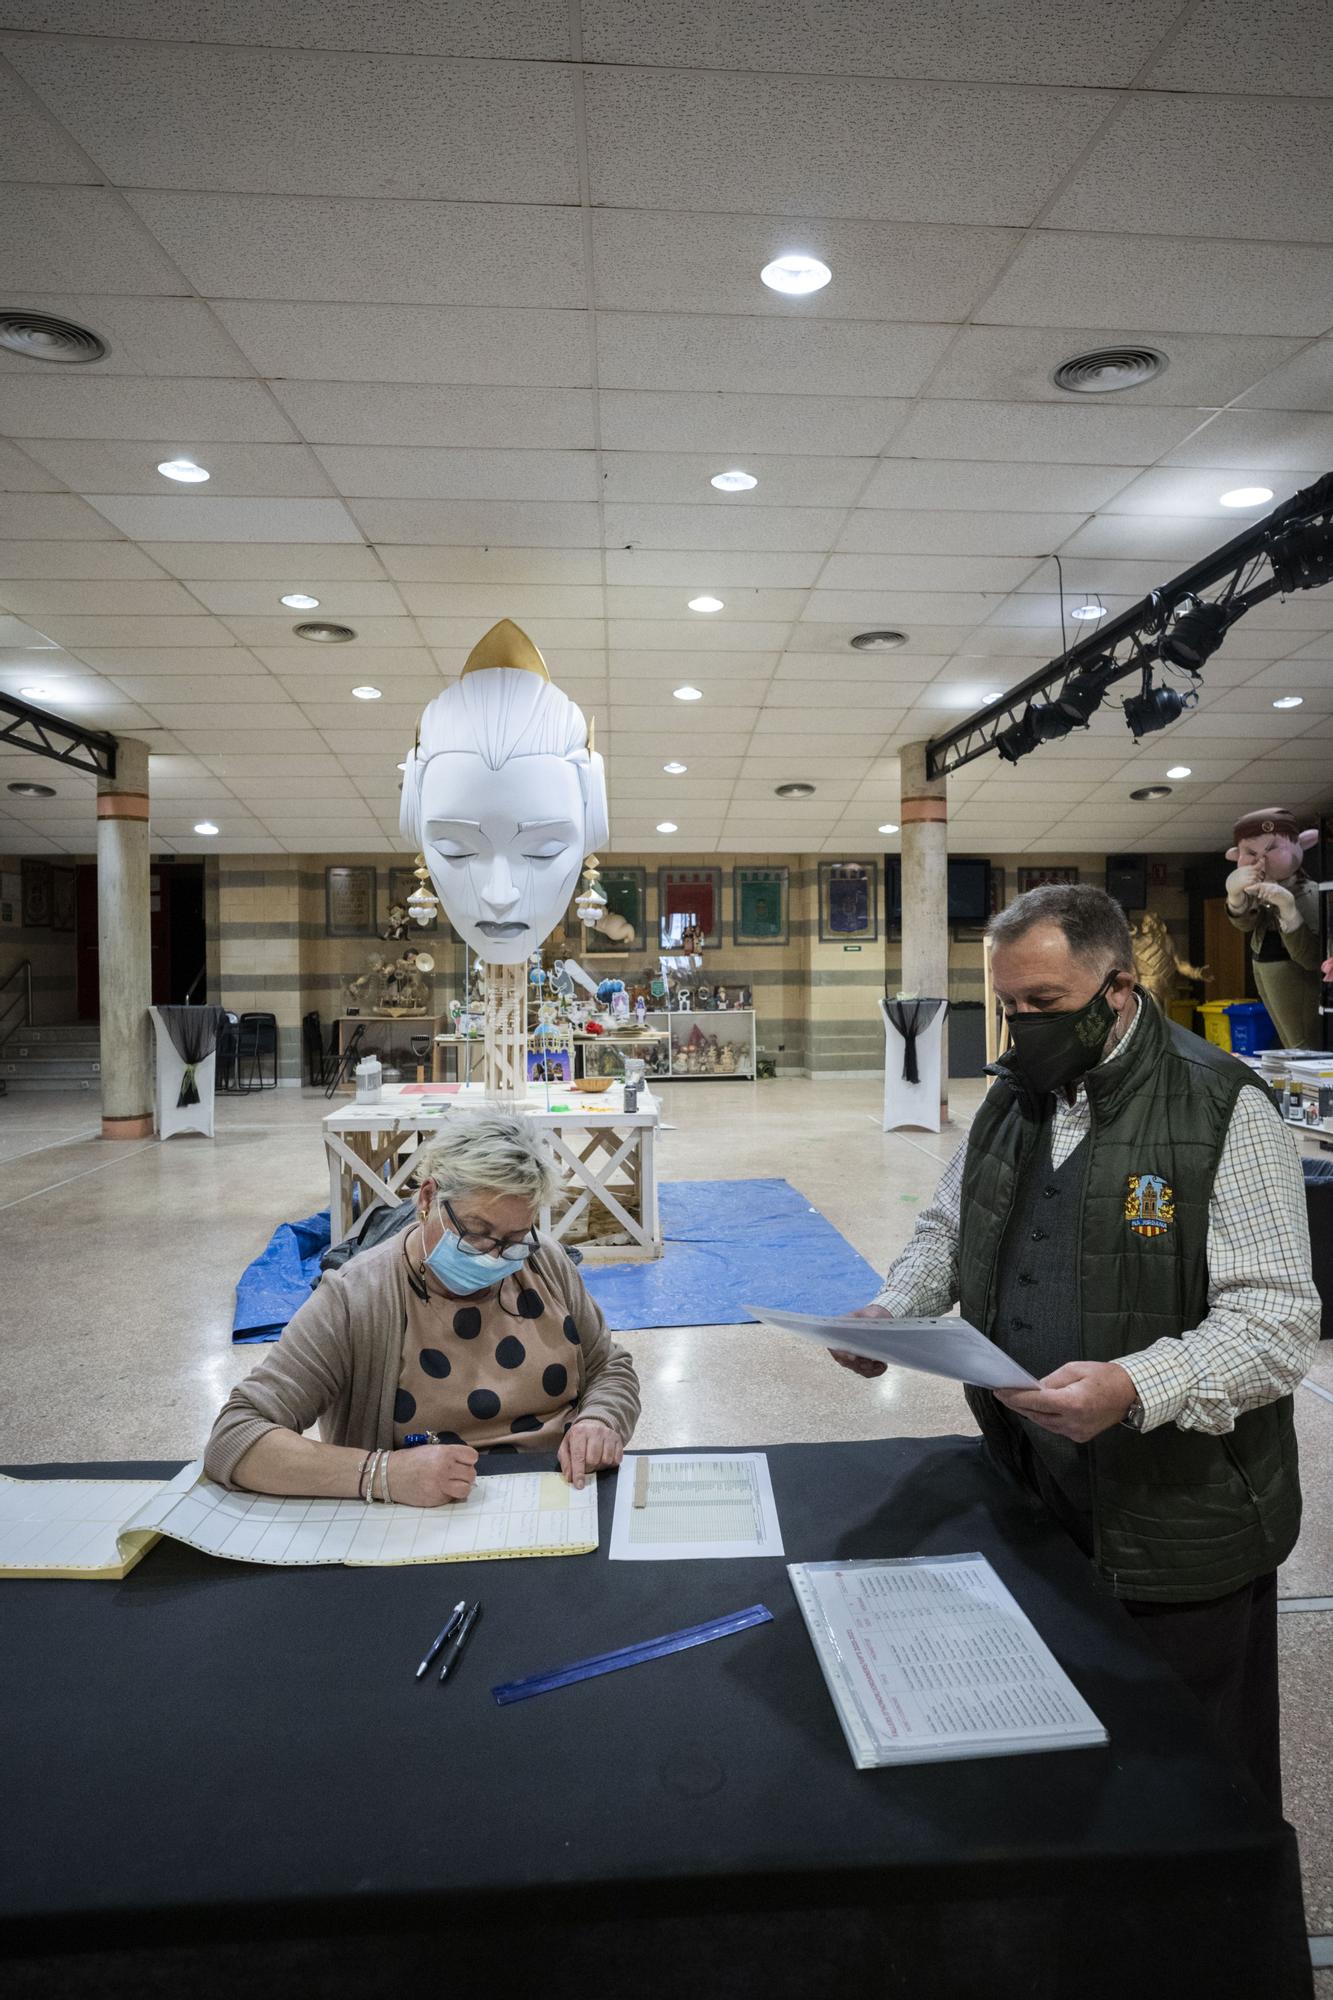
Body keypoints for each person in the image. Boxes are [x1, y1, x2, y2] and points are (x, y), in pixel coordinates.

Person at [835, 884, 1318, 1806]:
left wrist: (1135, 1386)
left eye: (1044, 1007)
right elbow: (947, 1226)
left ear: (1117, 992)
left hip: (1179, 1510)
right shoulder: (1015, 1099)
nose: (1021, 1029)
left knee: (1198, 1771)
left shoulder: (1221, 1107)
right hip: (1036, 1479)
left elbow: (1276, 1323)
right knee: (1076, 1753)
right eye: (1007, 1007)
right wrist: (892, 1310)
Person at [206, 1111, 639, 1505]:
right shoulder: (358, 1299)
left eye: (511, 1240)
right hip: (421, 1522)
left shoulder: (541, 1262)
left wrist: (600, 1419)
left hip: (557, 1501)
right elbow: (236, 1436)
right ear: (428, 1198)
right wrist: (381, 1474)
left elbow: (609, 1366)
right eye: (476, 1232)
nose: (493, 1257)